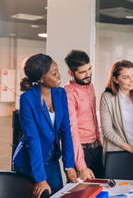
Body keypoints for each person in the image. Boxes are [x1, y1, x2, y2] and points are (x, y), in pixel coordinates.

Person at [12, 54, 77, 198]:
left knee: (58, 195)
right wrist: (40, 179)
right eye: (54, 73)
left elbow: (66, 130)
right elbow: (32, 139)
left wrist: (69, 165)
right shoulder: (27, 99)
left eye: (58, 71)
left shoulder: (61, 93)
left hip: (52, 160)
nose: (59, 76)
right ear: (41, 78)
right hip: (29, 163)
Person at [64, 50, 104, 179]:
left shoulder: (90, 85)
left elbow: (92, 117)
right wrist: (81, 166)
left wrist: (99, 140)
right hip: (81, 151)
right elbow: (71, 131)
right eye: (82, 72)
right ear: (71, 73)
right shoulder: (68, 93)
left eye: (89, 69)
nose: (88, 74)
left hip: (96, 148)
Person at [100, 60, 133, 161]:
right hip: (120, 151)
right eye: (126, 77)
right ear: (115, 79)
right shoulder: (107, 97)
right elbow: (107, 131)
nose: (132, 80)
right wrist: (131, 148)